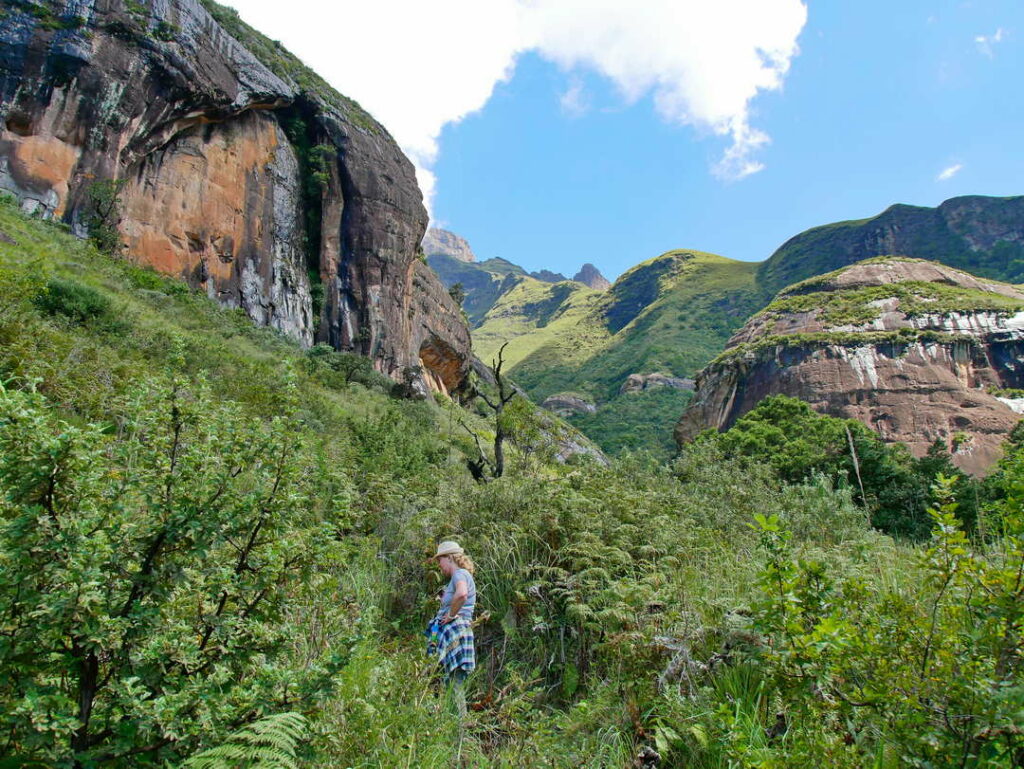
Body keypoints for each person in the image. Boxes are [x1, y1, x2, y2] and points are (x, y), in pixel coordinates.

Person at [428, 540, 476, 717]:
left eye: (439, 561)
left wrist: (450, 615)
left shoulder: (459, 575)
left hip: (456, 632)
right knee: (447, 682)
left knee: (455, 684)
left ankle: (460, 731)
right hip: (451, 634)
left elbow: (462, 594)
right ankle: (449, 726)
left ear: (449, 558)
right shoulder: (459, 577)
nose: (439, 566)